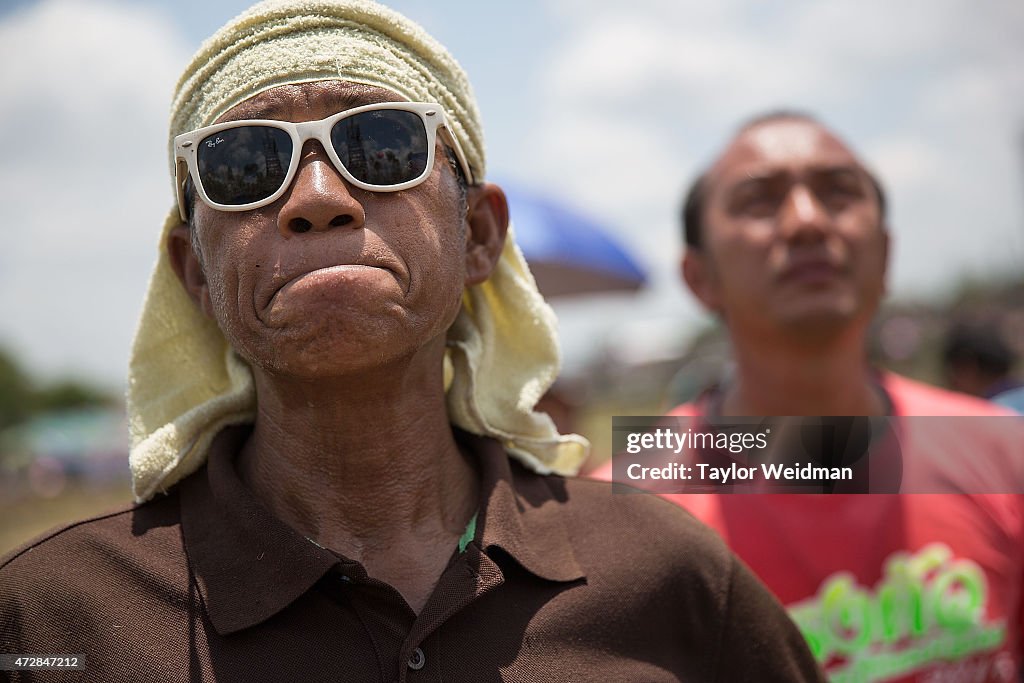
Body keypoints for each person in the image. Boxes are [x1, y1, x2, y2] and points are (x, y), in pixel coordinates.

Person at [0, 3, 825, 681]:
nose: (318, 198)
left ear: (478, 234)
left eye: (381, 145)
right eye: (245, 162)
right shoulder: (54, 616)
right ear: (195, 273)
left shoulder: (665, 570)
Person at [594, 111, 1024, 681]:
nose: (806, 221)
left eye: (839, 193)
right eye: (760, 201)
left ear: (886, 253)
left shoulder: (1003, 453)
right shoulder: (618, 512)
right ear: (700, 277)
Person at [942, 318, 1022, 399]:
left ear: (967, 368)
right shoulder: (1017, 397)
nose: (951, 383)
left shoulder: (988, 407)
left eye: (952, 370)